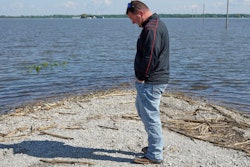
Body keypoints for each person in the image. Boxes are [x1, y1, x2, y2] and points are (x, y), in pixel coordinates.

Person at [126, 0, 170, 164]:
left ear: (140, 13)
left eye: (133, 18)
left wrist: (142, 77)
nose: (133, 22)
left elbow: (149, 56)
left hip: (151, 81)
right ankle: (155, 145)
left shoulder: (152, 29)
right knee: (143, 111)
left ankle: (155, 154)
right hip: (153, 80)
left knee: (151, 117)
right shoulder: (154, 24)